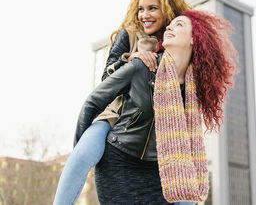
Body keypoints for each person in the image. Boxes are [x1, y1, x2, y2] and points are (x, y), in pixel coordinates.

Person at [74, 10, 237, 204]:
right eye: (171, 24)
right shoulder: (142, 66)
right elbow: (93, 102)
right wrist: (80, 150)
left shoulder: (194, 90)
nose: (169, 27)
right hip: (119, 163)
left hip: (160, 172)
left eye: (179, 25)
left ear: (195, 39)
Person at [53, 0, 192, 205]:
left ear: (167, 10)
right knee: (80, 157)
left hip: (156, 133)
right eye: (141, 9)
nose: (144, 15)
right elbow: (106, 82)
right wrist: (131, 59)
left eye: (152, 8)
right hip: (115, 116)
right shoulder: (128, 35)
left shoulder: (175, 41)